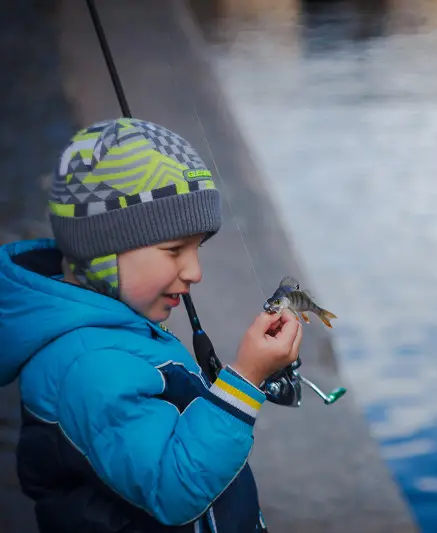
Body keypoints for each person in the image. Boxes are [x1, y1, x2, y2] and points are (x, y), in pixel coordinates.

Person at [0, 117, 302, 533]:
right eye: (174, 249)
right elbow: (172, 489)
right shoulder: (90, 366)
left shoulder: (115, 322)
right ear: (100, 251)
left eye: (197, 248)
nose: (194, 271)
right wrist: (244, 382)